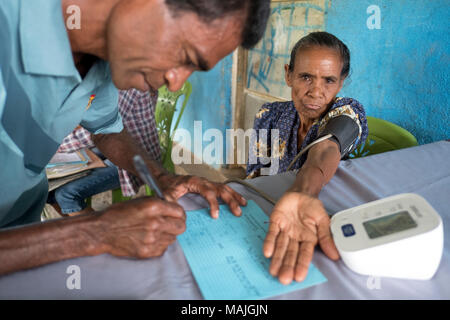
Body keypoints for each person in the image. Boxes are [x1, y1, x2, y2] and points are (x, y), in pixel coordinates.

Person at [0, 0, 270, 276]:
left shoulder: (100, 63)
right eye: (185, 55)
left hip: (23, 231)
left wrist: (164, 179)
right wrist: (92, 233)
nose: (175, 83)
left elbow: (107, 130)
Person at [246, 32, 369, 284]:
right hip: (271, 219)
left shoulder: (346, 112)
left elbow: (326, 149)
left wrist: (303, 191)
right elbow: (254, 178)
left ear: (341, 82)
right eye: (305, 77)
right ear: (288, 74)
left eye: (329, 81)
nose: (316, 92)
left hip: (311, 221)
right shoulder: (269, 115)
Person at [47, 88, 161, 216]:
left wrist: (55, 147)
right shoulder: (111, 83)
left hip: (133, 161)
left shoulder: (132, 89)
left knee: (67, 194)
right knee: (47, 191)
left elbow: (99, 133)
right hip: (115, 148)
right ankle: (75, 228)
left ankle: (98, 235)